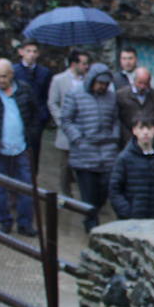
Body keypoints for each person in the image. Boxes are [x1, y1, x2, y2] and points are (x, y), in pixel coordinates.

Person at [0, 59, 42, 236]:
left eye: (4, 76)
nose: (0, 80)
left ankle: (25, 223)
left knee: (27, 187)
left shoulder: (24, 90)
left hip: (21, 147)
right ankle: (4, 222)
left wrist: (32, 137)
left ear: (11, 75)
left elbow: (36, 114)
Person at [60, 63, 121, 232]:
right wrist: (78, 139)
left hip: (107, 151)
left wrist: (114, 136)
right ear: (92, 80)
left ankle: (94, 214)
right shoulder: (75, 94)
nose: (102, 86)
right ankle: (91, 225)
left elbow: (116, 119)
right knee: (88, 194)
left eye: (105, 84)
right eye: (99, 83)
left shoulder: (111, 97)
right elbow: (66, 120)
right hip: (84, 152)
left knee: (105, 189)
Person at [109, 115, 154, 220]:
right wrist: (127, 212)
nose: (145, 132)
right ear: (134, 131)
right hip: (131, 221)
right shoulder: (124, 158)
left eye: (149, 128)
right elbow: (114, 190)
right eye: (141, 128)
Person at [47, 50, 90, 197]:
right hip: (67, 128)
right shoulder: (59, 80)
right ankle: (65, 194)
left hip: (85, 128)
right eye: (83, 63)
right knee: (65, 165)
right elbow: (52, 103)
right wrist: (62, 122)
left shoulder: (88, 80)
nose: (86, 66)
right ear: (74, 64)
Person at [13, 41, 51, 178]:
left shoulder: (44, 73)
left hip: (36, 121)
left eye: (34, 51)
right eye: (28, 51)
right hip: (18, 118)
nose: (32, 55)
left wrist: (43, 116)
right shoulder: (14, 71)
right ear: (21, 52)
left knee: (34, 154)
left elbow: (47, 96)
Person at [115, 67, 154, 154]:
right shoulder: (121, 96)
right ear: (134, 81)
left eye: (146, 83)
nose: (143, 86)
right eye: (140, 83)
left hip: (152, 142)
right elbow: (117, 120)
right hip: (128, 142)